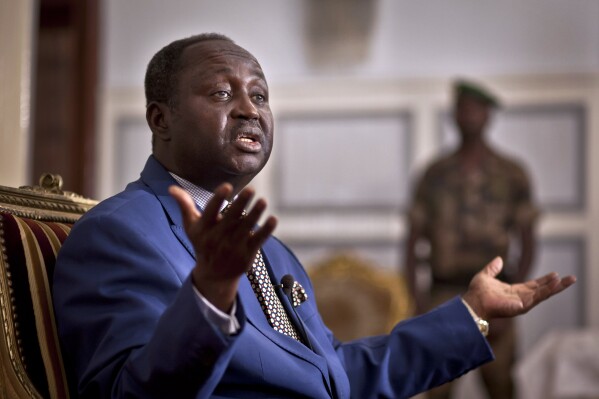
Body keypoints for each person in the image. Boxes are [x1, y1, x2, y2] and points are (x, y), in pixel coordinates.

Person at [53, 34, 574, 399]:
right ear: (159, 118)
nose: (249, 109)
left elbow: (335, 378)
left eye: (259, 95)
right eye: (221, 92)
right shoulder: (118, 233)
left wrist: (470, 313)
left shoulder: (269, 250)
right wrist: (209, 297)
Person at [405, 80, 540, 399]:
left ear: (489, 115)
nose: (469, 116)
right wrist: (417, 299)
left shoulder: (512, 173)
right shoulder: (434, 174)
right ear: (454, 115)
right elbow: (411, 242)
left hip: (496, 292)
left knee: (500, 384)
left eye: (476, 109)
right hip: (444, 294)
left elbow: (528, 241)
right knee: (436, 385)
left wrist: (515, 300)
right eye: (463, 109)